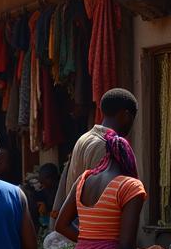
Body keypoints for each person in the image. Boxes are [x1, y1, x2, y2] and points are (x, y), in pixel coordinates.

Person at [52, 88, 138, 223]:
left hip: (78, 226)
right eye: (132, 119)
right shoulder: (107, 146)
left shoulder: (85, 138)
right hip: (92, 231)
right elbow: (101, 201)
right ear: (126, 115)